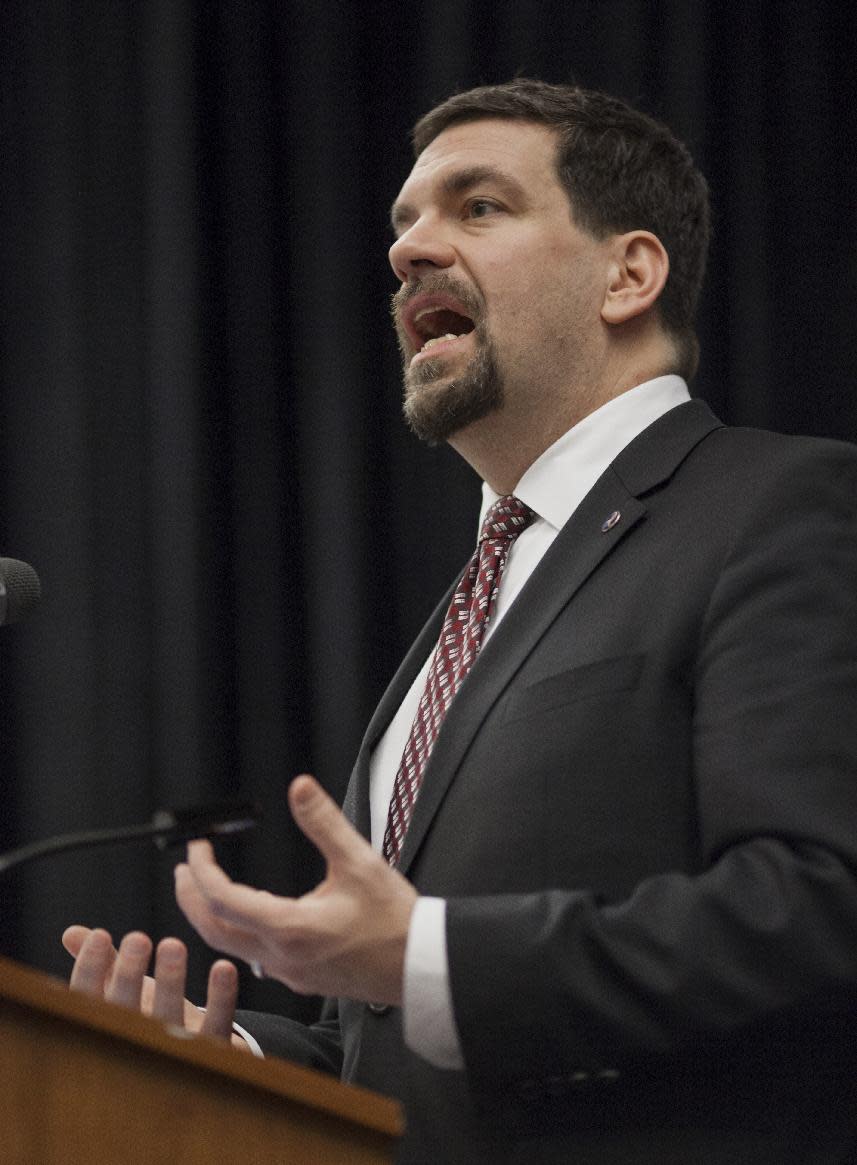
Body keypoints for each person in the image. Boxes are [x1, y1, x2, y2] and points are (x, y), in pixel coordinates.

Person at [64, 79, 857, 1163]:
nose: (406, 251)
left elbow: (818, 910)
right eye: (401, 224)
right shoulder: (473, 602)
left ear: (627, 274)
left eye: (476, 208)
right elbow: (386, 1045)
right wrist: (226, 1056)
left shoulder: (781, 507)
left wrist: (424, 954)